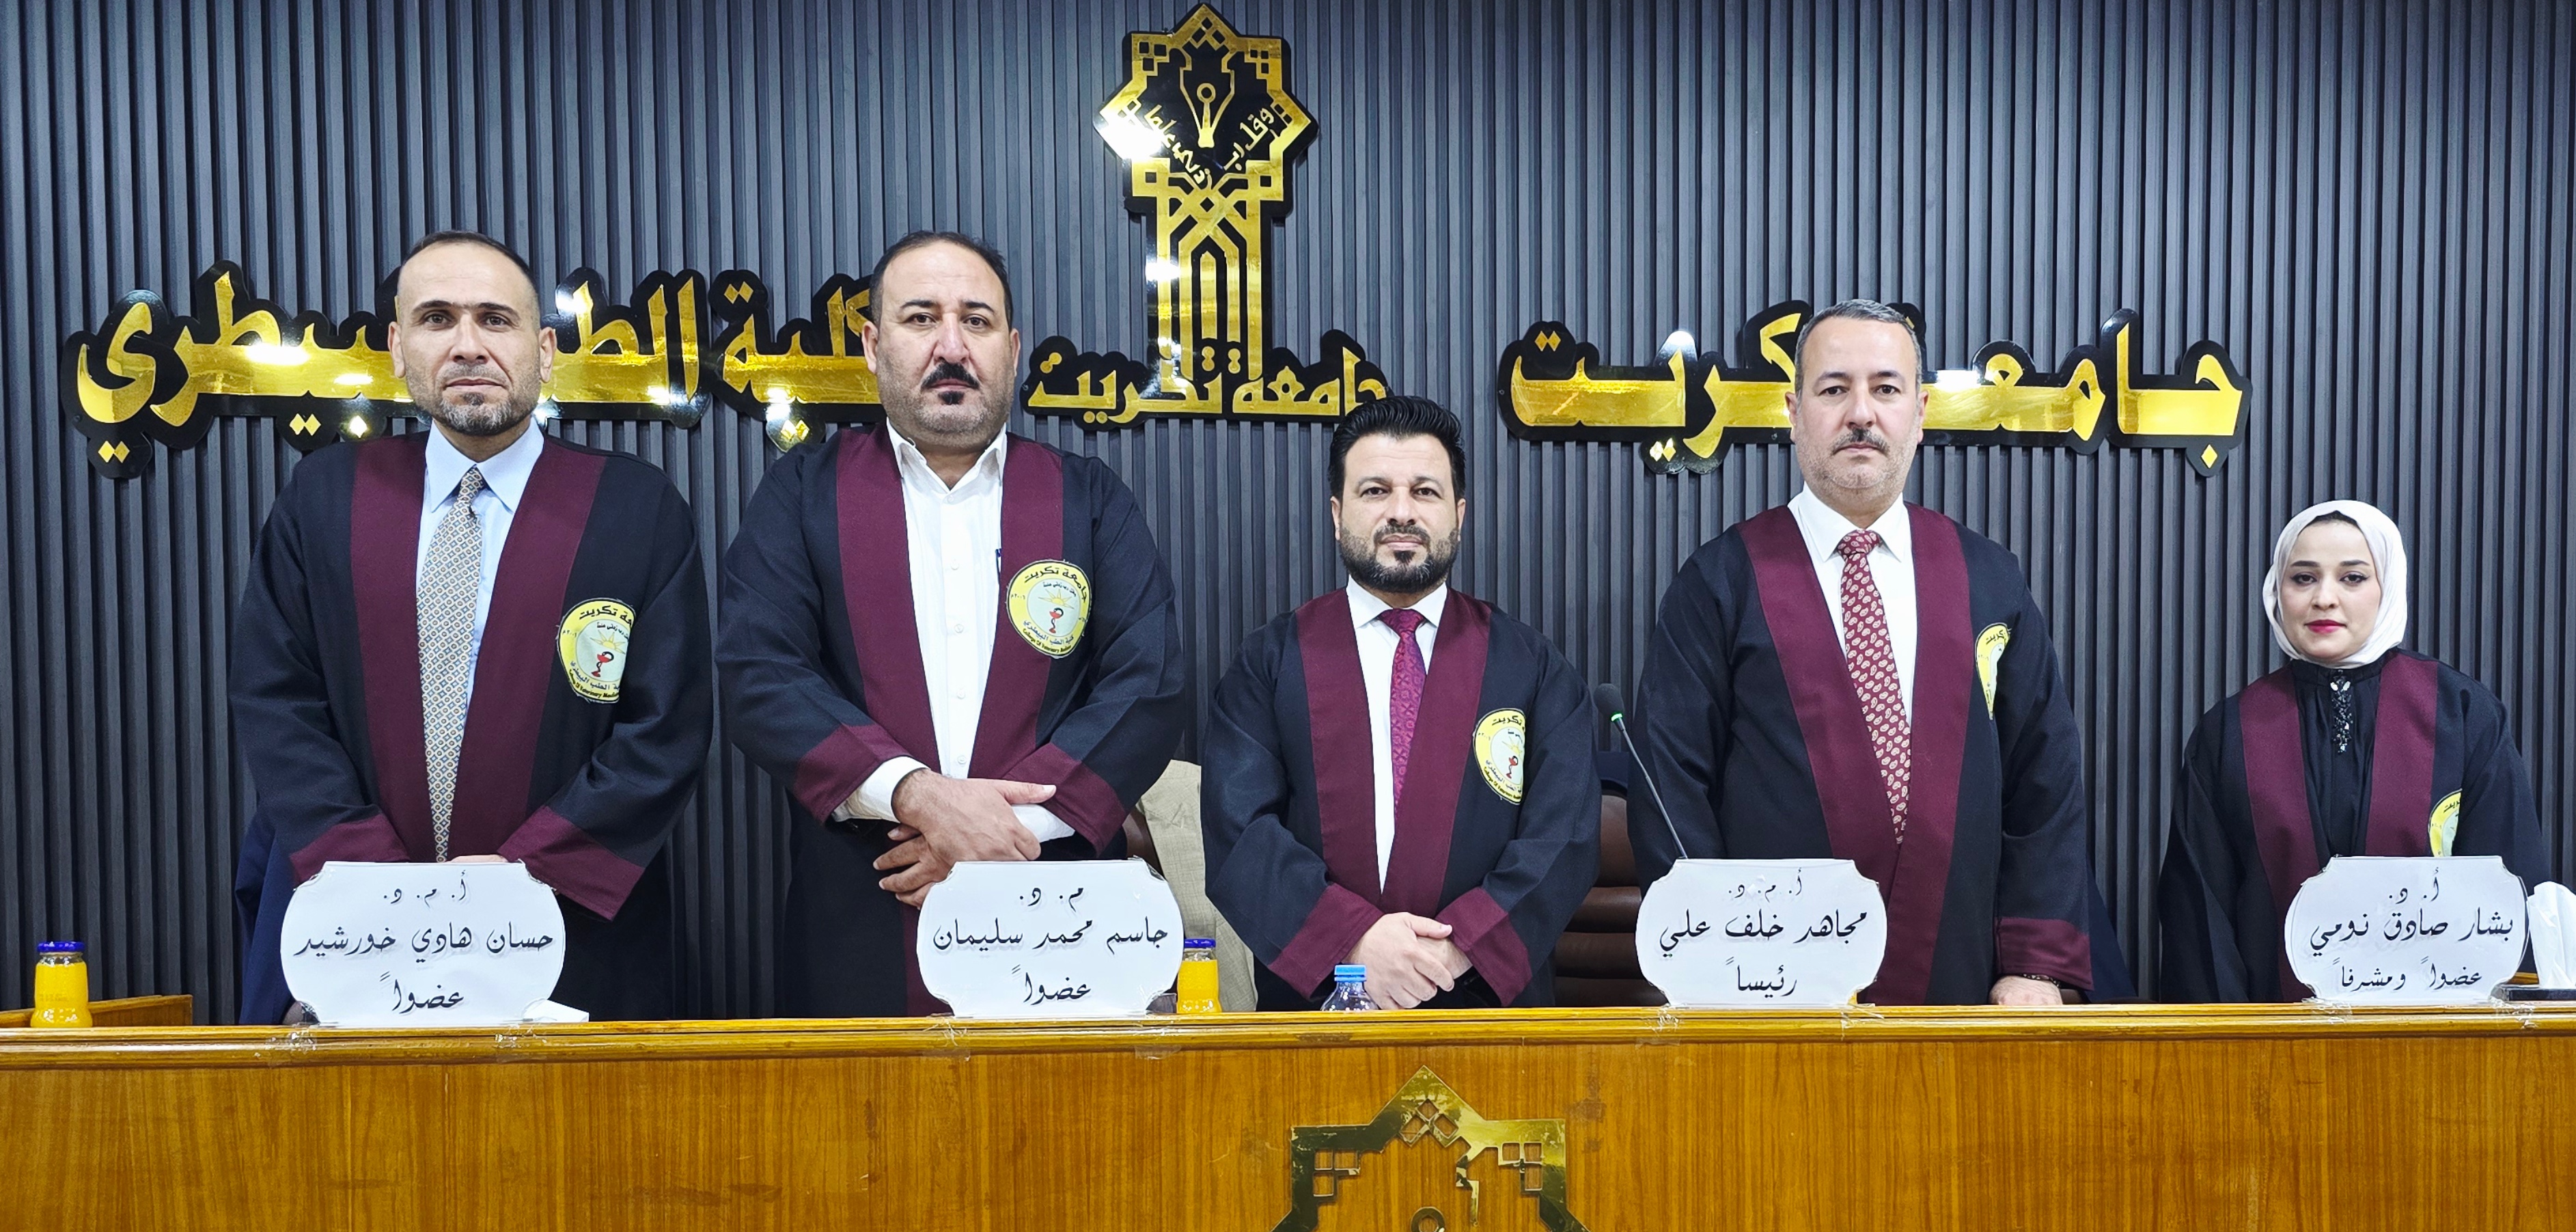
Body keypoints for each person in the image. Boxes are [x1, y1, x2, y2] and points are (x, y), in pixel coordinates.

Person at [229, 229, 712, 1021]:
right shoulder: (325, 500)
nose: (467, 345)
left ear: (544, 350)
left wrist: (514, 880)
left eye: (495, 318)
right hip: (356, 934)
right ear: (397, 348)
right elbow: (277, 700)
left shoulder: (634, 510)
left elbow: (665, 730)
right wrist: (379, 882)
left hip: (564, 934)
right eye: (436, 319)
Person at [716, 230, 1188, 1015]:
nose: (951, 345)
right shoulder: (802, 494)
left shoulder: (1087, 499)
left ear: (1012, 349)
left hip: (1061, 918)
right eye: (920, 318)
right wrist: (916, 796)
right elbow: (759, 674)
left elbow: (1149, 685)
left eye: (975, 320)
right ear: (874, 346)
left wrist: (1004, 829)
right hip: (870, 903)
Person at [1628, 299, 2101, 1005]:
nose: (1860, 413)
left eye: (1885, 388)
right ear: (1794, 412)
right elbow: (1671, 786)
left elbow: (2044, 781)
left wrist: (2034, 966)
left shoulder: (1987, 579)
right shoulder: (1722, 580)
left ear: (1921, 411)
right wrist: (1715, 961)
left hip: (1963, 988)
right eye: (1833, 389)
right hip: (1772, 995)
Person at [1202, 396, 1599, 1009]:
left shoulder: (1530, 666)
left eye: (1425, 492)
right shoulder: (1271, 662)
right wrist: (1354, 943)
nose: (1402, 512)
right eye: (1375, 491)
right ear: (1337, 514)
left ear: (1459, 514)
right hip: (1324, 1009)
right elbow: (1240, 832)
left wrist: (1455, 949)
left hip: (1483, 1010)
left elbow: (1564, 835)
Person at [2157, 499, 2549, 1001]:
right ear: (2277, 590)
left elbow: (2508, 897)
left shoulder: (2461, 716)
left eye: (2353, 578)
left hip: (2435, 1033)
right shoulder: (2229, 733)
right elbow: (2199, 922)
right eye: (2303, 578)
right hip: (2269, 1035)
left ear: (2388, 586)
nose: (2324, 598)